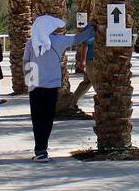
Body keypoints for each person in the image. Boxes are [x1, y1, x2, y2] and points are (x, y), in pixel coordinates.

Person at [23, 14, 95, 161]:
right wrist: (91, 25)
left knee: (37, 119)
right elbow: (80, 37)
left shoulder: (32, 42)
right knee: (48, 118)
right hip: (52, 86)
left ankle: (40, 150)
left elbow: (25, 62)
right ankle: (43, 148)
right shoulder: (58, 41)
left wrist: (29, 82)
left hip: (35, 87)